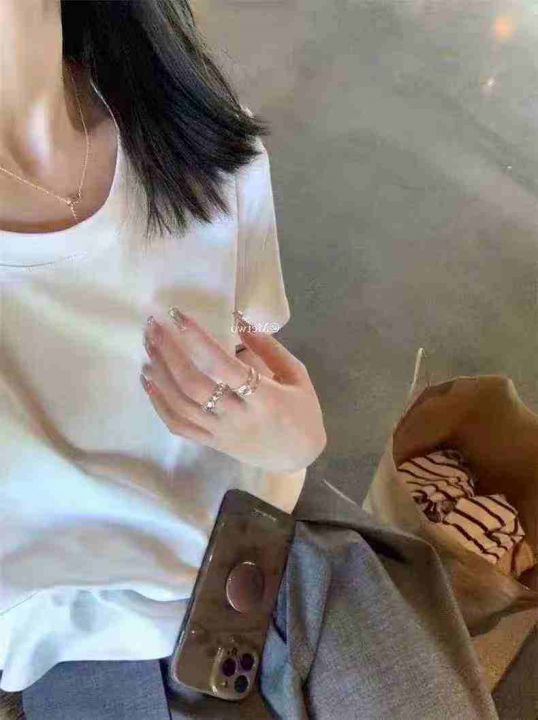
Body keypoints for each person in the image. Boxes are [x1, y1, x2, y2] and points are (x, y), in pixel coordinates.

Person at [0, 2, 499, 719]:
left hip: (279, 540)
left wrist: (295, 439)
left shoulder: (184, 124)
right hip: (83, 644)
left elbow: (248, 357)